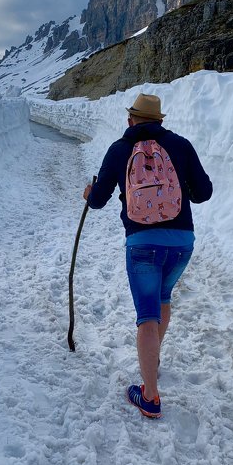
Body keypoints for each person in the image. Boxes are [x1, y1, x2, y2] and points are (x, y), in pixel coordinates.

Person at [83, 92, 212, 419]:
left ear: (131, 120)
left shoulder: (120, 148)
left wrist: (89, 192)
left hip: (142, 244)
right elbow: (203, 192)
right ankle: (152, 361)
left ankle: (150, 396)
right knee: (163, 298)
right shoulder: (180, 145)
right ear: (160, 121)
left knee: (147, 314)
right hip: (182, 242)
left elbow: (97, 200)